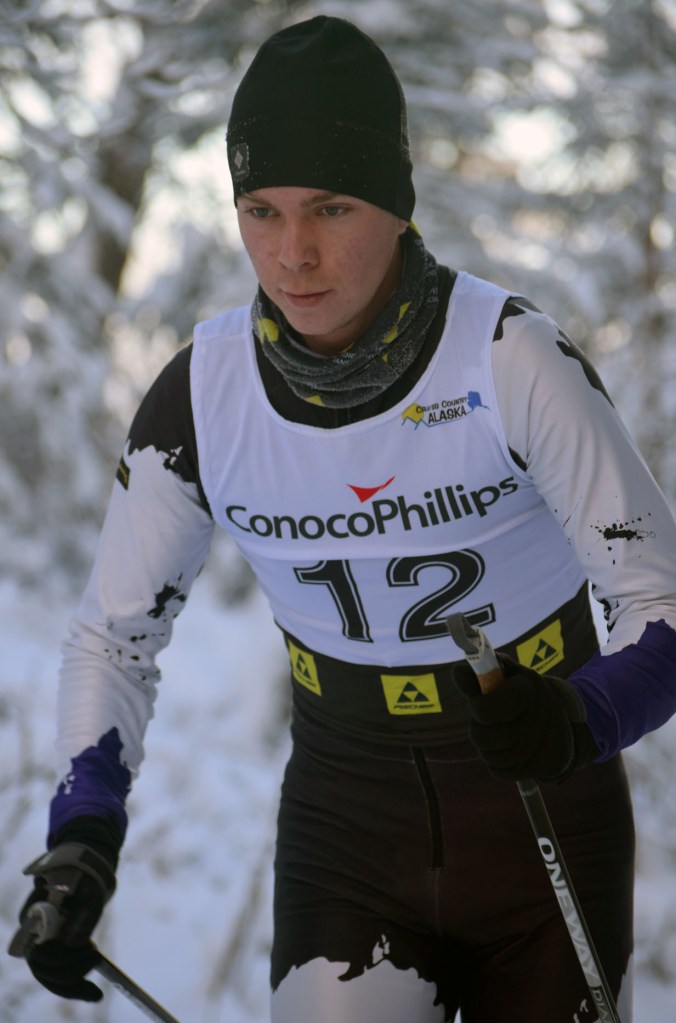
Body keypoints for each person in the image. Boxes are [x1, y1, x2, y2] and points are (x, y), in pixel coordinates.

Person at [11, 15, 676, 1023]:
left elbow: (659, 600)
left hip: (539, 801)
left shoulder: (510, 358)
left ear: (397, 206)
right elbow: (114, 636)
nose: (294, 253)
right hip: (348, 821)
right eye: (261, 211)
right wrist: (82, 831)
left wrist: (579, 716)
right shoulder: (203, 397)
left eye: (331, 207)